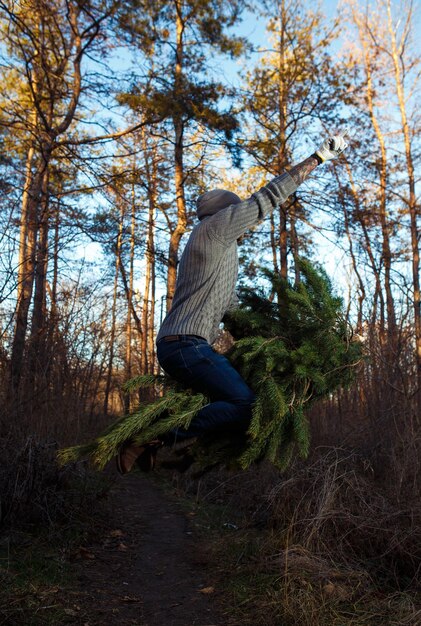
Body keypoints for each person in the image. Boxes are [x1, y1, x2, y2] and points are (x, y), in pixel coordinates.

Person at [116, 132, 349, 474]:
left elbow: (230, 310)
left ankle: (164, 449)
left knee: (225, 399)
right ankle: (154, 437)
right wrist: (317, 158)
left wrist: (273, 343)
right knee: (243, 404)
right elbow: (266, 198)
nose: (245, 225)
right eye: (238, 214)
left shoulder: (222, 251)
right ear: (227, 213)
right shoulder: (215, 228)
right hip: (186, 345)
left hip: (183, 345)